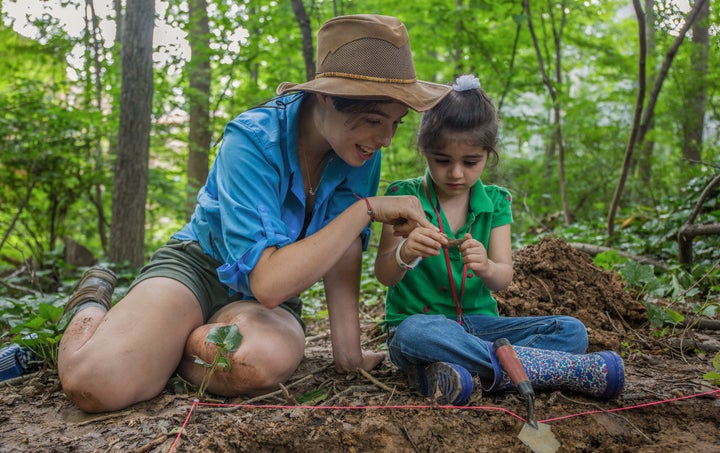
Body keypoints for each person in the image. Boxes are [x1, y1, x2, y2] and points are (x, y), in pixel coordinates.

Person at [55, 14, 453, 413]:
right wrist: (367, 210)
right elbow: (268, 281)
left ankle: (169, 341)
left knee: (254, 363)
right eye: (373, 120)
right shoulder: (251, 140)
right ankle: (91, 304)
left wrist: (348, 355)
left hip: (265, 308)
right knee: (94, 382)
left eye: (396, 125)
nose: (384, 139)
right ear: (326, 97)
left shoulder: (360, 151)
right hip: (199, 269)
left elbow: (342, 250)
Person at [373, 74, 625, 406]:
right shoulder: (403, 196)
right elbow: (384, 274)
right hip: (423, 326)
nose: (456, 174)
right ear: (425, 152)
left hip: (480, 327)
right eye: (442, 161)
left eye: (471, 162)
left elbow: (502, 278)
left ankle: (444, 372)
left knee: (571, 331)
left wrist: (486, 266)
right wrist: (405, 252)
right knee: (414, 334)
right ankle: (546, 370)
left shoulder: (496, 202)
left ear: (488, 156)